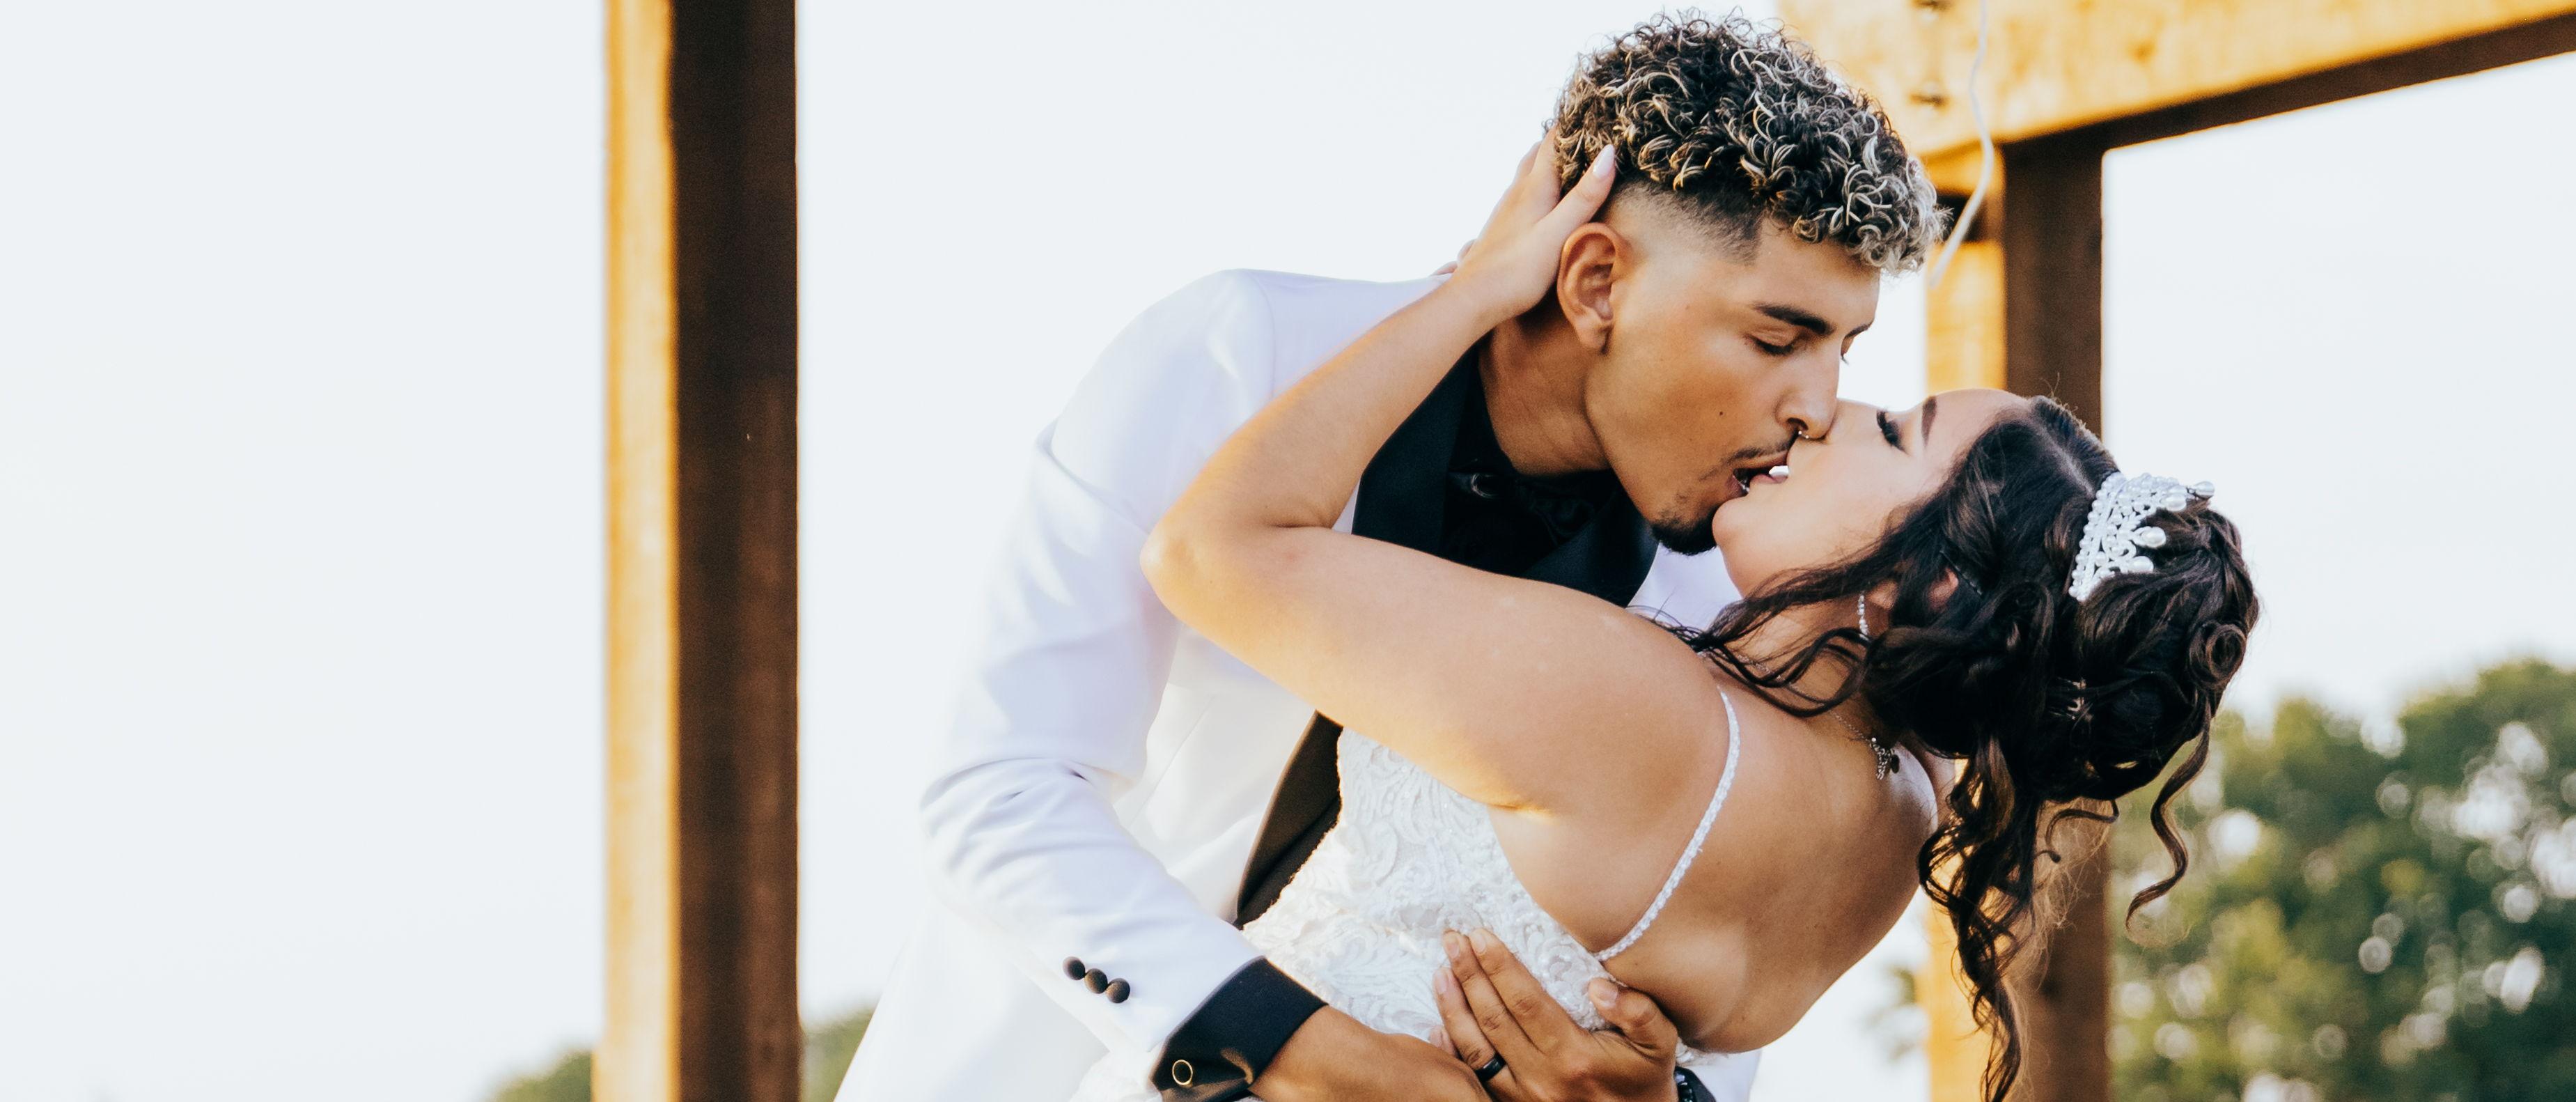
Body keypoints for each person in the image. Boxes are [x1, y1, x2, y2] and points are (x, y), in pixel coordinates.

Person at [836, 16, 1941, 1102]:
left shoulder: (1737, 593)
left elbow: (1713, 957)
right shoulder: (1240, 355)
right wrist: (1305, 1052)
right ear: (1596, 281)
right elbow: (999, 788)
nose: (1818, 406)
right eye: (1775, 339)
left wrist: (1670, 1097)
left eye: (1844, 351)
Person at [1118, 116, 2258, 1102]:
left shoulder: (1629, 706)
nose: (1828, 408)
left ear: (1940, 583)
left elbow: (1208, 551)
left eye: (1895, 429)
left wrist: (1471, 293)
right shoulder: (1905, 808)